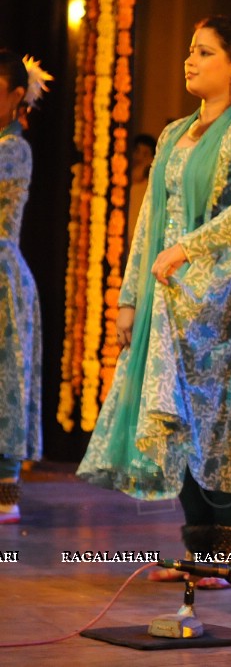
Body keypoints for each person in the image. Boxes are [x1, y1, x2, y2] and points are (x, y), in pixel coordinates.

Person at [77, 17, 231, 588]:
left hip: (230, 297)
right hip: (173, 298)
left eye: (204, 52)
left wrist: (188, 248)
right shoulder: (172, 135)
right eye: (190, 50)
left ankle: (230, 553)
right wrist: (128, 299)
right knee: (184, 418)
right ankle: (197, 549)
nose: (190, 61)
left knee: (226, 419)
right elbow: (149, 224)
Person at [0, 51, 51, 525]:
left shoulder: (14, 148)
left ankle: (4, 492)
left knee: (4, 382)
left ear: (17, 95)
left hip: (2, 280)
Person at [126, 132, 157, 248]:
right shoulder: (120, 181)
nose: (139, 157)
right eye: (137, 151)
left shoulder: (151, 186)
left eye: (145, 154)